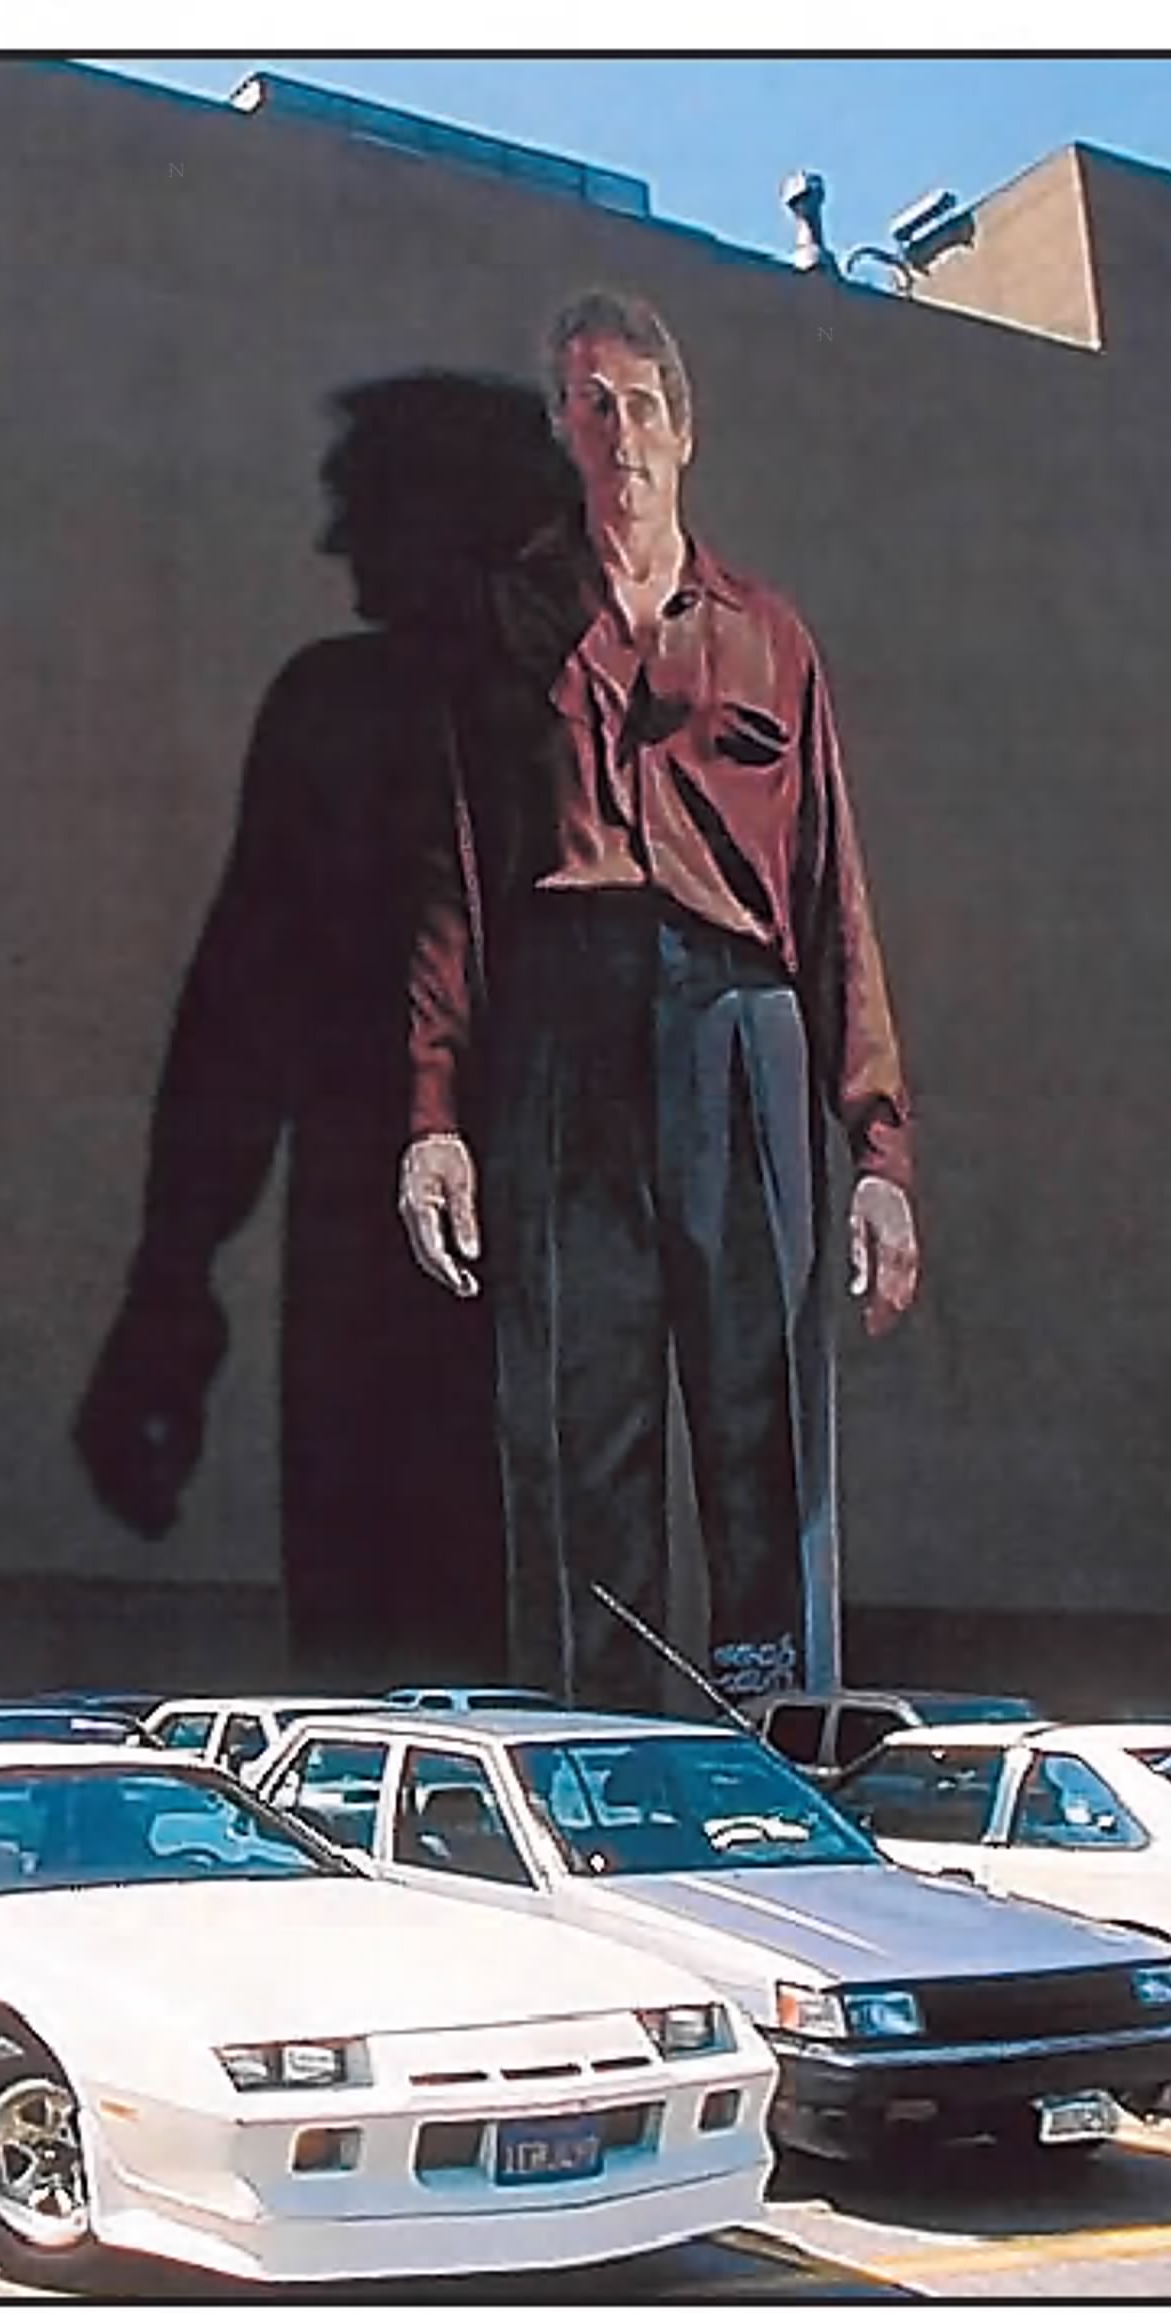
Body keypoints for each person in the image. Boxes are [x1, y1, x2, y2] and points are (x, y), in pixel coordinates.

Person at [395, 290, 919, 1711]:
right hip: (561, 1028)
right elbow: (451, 879)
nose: (615, 431)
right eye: (586, 405)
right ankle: (597, 1755)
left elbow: (833, 894)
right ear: (560, 434)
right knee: (582, 1420)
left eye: (637, 404)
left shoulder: (768, 637)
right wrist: (435, 1117)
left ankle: (774, 1739)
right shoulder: (501, 623)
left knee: (763, 1417)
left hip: (739, 1023)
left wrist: (877, 1151)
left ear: (683, 433)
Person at [75, 374, 573, 1681]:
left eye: (365, 504)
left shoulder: (364, 709)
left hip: (435, 1251)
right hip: (455, 1248)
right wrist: (171, 1280)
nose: (334, 540)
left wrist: (170, 1282)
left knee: (403, 1641)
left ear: (451, 514)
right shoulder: (584, 709)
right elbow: (242, 1007)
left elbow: (241, 1008)